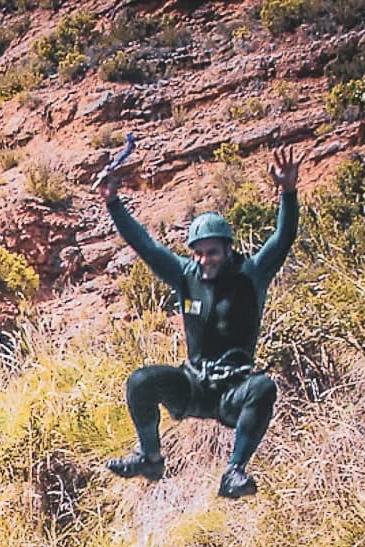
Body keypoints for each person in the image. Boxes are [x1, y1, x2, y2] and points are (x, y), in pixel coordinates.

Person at [99, 145, 302, 498]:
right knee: (141, 381)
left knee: (264, 387)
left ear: (226, 249)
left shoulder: (250, 275)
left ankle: (234, 472)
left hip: (231, 391)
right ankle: (149, 456)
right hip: (192, 386)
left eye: (212, 252)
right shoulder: (185, 274)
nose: (205, 259)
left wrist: (287, 193)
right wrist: (113, 203)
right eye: (199, 252)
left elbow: (283, 239)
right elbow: (145, 245)